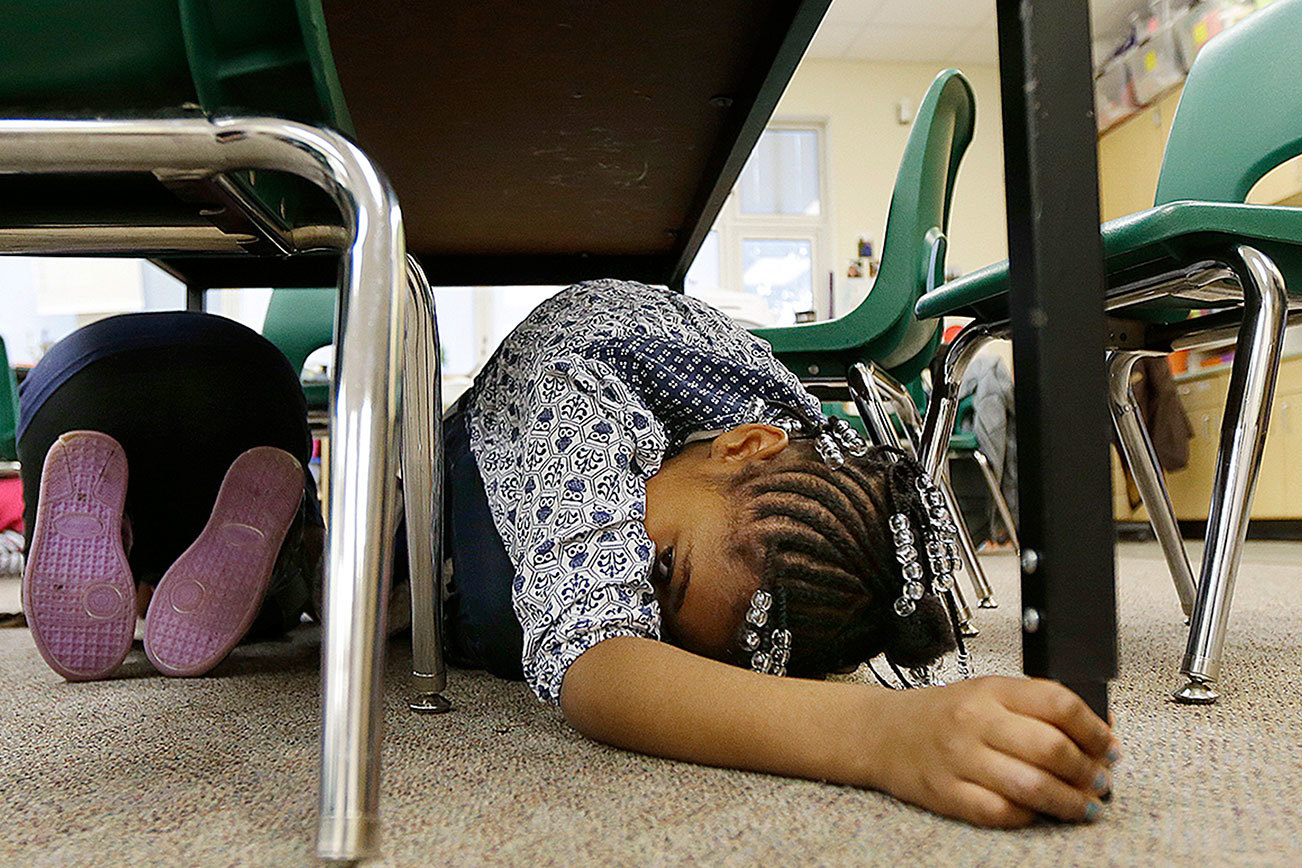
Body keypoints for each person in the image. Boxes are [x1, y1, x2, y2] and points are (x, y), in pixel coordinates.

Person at [22, 281, 1118, 830]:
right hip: (434, 528)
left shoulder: (765, 465)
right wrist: (884, 735)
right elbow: (602, 671)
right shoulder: (584, 386)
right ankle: (264, 547)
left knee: (321, 598)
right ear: (741, 443)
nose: (640, 604)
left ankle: (210, 554)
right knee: (345, 593)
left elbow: (857, 559)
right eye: (664, 571)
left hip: (438, 567)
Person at [19, 311, 322, 680]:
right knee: (275, 602)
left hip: (71, 381)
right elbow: (313, 543)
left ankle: (122, 540)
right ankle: (264, 590)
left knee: (76, 563)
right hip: (252, 379)